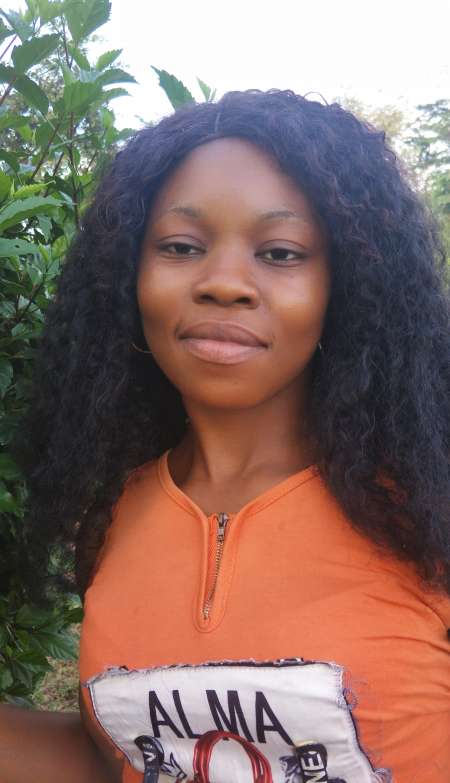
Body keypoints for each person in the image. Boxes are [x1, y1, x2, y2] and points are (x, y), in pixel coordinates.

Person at [1, 89, 449, 783]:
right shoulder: (113, 516)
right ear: (128, 276)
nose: (224, 283)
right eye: (181, 246)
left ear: (347, 285)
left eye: (281, 252)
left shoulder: (428, 510)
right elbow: (131, 757)